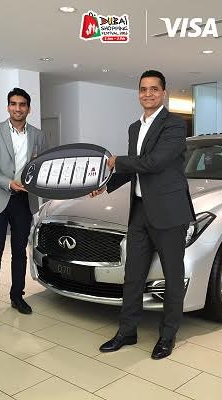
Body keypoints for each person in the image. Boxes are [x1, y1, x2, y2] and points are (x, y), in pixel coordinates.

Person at [90, 70, 195, 359]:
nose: (148, 94)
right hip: (139, 211)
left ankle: (167, 335)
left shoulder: (175, 125)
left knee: (173, 276)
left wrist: (117, 161)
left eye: (154, 89)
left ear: (163, 93)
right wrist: (104, 185)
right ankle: (127, 331)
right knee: (133, 275)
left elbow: (154, 162)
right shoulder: (134, 128)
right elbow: (134, 168)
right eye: (143, 89)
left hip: (170, 212)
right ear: (138, 93)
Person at [0, 87, 46, 323]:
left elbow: (42, 167)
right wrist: (9, 183)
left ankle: (17, 297)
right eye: (14, 104)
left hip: (24, 201)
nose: (18, 108)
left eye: (22, 104)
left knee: (19, 252)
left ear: (29, 108)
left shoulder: (38, 135)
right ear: (8, 106)